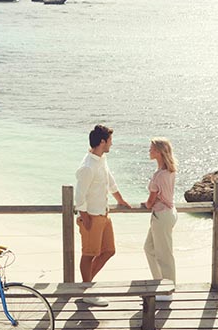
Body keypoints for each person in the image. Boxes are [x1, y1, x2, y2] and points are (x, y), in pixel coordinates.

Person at [73, 124, 130, 301]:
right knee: (88, 254)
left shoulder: (101, 159)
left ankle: (86, 286)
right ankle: (87, 291)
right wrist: (85, 217)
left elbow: (110, 181)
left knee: (109, 251)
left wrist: (120, 200)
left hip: (104, 214)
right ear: (103, 142)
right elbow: (79, 196)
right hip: (91, 216)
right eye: (110, 141)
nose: (111, 144)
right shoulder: (87, 166)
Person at [143, 138, 178, 298]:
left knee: (165, 256)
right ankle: (159, 284)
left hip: (161, 215)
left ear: (159, 152)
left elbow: (150, 202)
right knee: (149, 248)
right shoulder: (170, 171)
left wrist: (148, 203)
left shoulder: (158, 175)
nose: (149, 151)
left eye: (151, 149)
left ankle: (168, 290)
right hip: (169, 213)